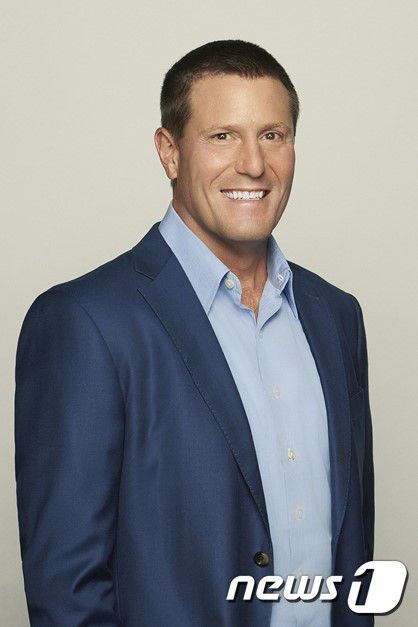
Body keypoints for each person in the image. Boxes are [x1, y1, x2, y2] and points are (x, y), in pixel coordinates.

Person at [15, 39, 374, 626]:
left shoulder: (336, 317)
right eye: (223, 136)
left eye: (273, 135)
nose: (253, 164)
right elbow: (67, 591)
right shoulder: (85, 323)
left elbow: (352, 550)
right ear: (170, 151)